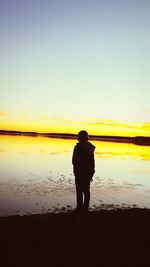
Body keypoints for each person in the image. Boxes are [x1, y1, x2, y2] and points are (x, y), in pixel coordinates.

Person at [72, 130, 95, 214]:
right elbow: (92, 162)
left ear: (80, 137)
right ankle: (85, 207)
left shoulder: (78, 147)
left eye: (78, 136)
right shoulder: (90, 147)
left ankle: (79, 208)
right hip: (87, 172)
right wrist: (92, 172)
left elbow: (75, 160)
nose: (77, 137)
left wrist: (75, 170)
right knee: (86, 190)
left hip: (80, 172)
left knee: (79, 190)